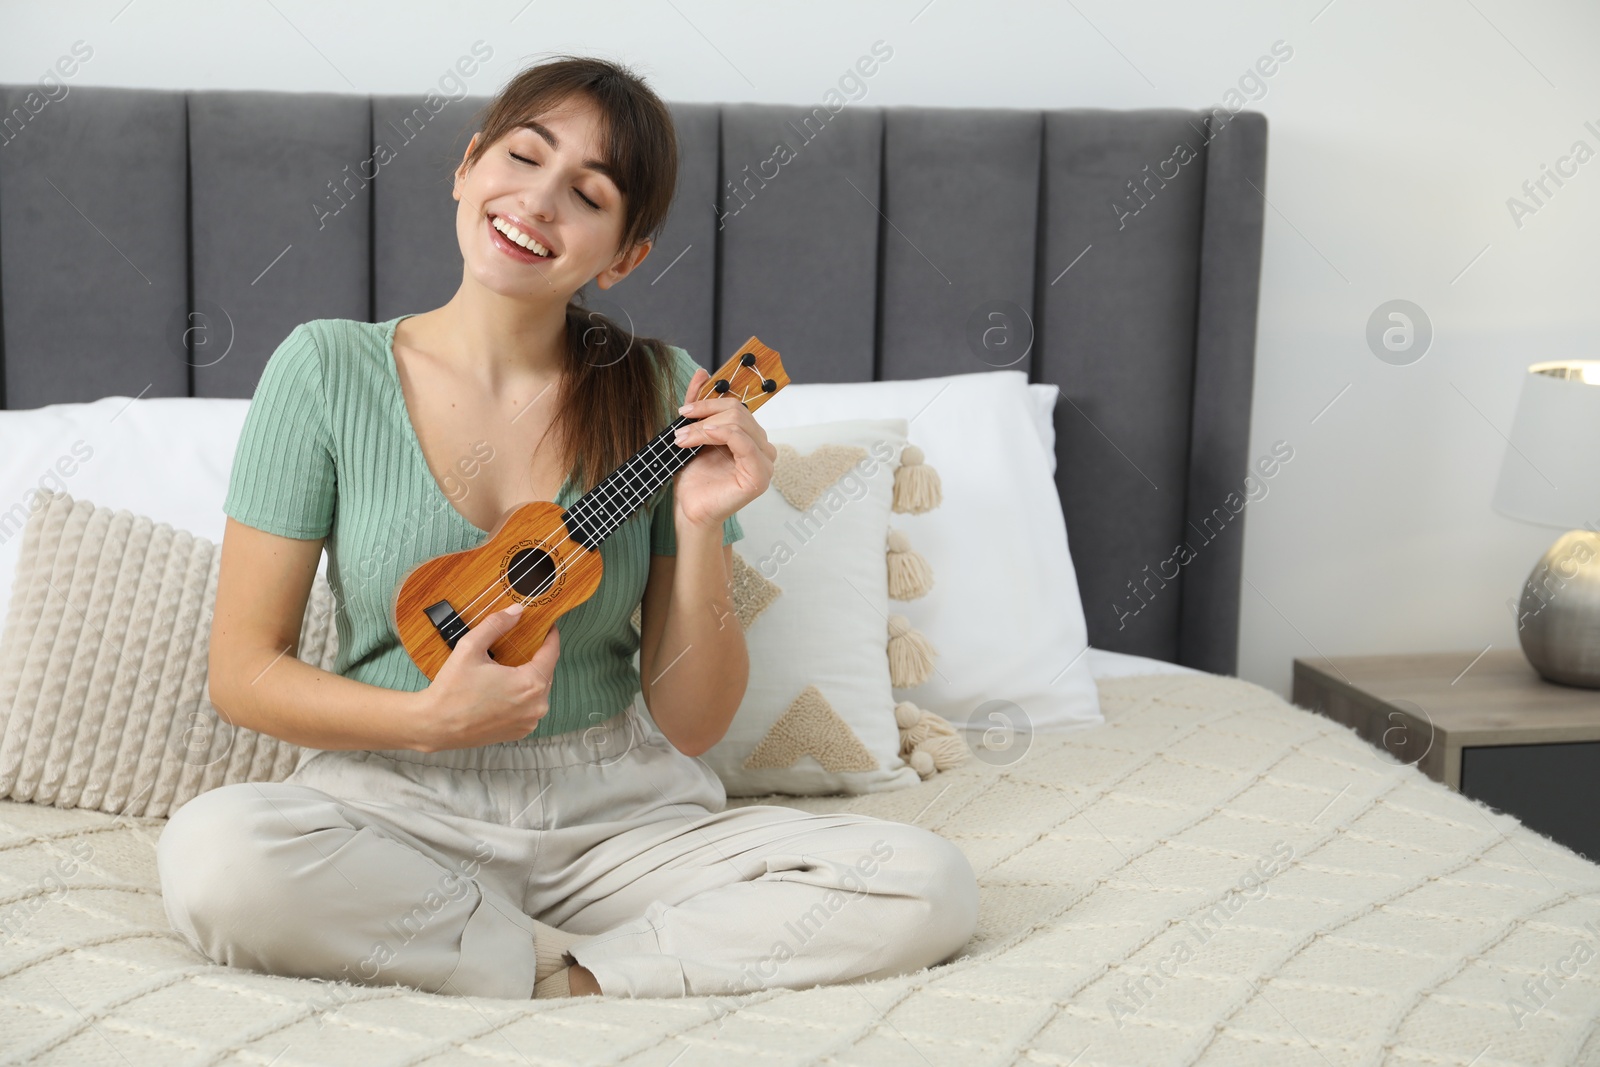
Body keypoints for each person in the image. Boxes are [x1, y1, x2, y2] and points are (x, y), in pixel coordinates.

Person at [157, 53, 979, 1002]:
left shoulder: (663, 392)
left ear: (624, 255)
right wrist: (426, 722)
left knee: (927, 880)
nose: (538, 202)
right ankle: (567, 958)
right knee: (216, 857)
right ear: (468, 168)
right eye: (522, 156)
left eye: (587, 195)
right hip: (390, 806)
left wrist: (705, 526)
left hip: (618, 822)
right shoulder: (323, 370)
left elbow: (693, 720)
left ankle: (561, 973)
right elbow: (244, 672)